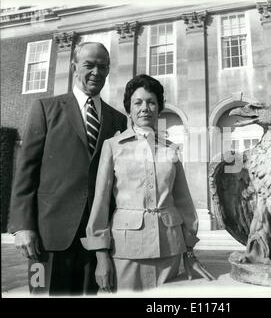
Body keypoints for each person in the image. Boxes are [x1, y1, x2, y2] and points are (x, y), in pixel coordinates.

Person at [8, 42, 128, 295]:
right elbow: (26, 171)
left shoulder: (118, 120)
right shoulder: (46, 108)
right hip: (46, 238)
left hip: (94, 241)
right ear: (74, 67)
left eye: (103, 67)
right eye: (89, 65)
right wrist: (22, 226)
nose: (96, 72)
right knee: (41, 293)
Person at [81, 74, 215, 292]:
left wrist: (189, 253)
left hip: (169, 249)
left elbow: (184, 203)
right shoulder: (113, 146)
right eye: (138, 102)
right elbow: (101, 202)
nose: (145, 108)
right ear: (129, 109)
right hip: (126, 250)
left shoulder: (170, 149)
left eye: (151, 102)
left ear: (159, 108)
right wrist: (101, 257)